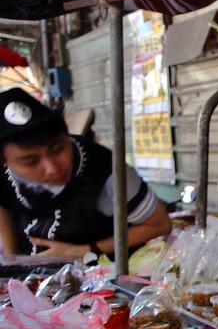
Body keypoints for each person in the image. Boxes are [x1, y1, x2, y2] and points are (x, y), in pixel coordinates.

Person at [0, 87, 172, 258]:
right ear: (5, 161)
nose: (52, 168)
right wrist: (12, 258)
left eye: (58, 149)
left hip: (101, 272)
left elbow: (159, 225)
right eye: (31, 162)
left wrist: (84, 251)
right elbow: (4, 203)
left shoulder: (105, 168)